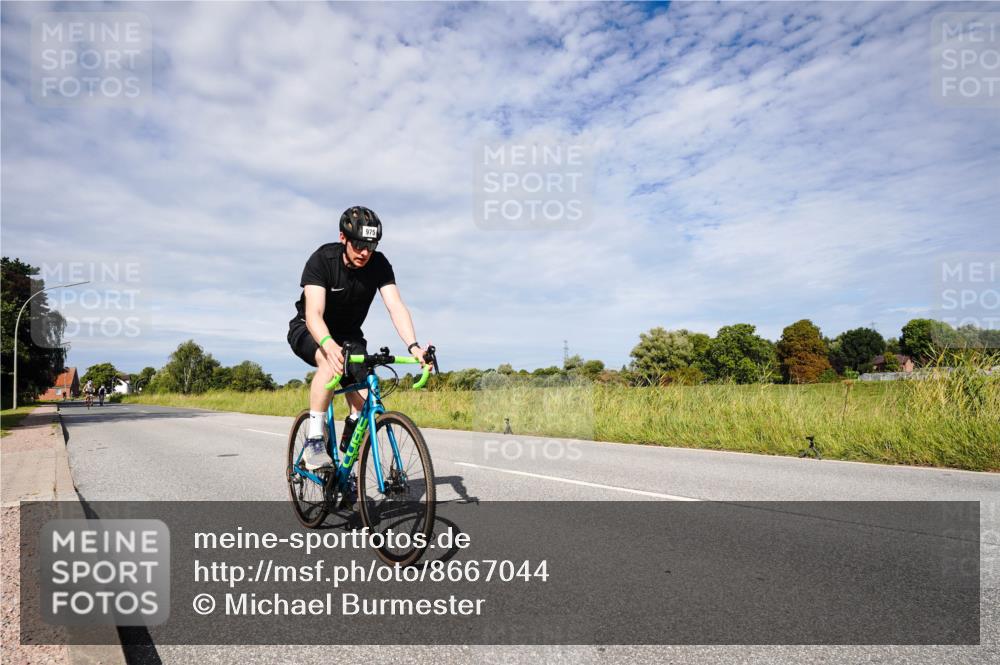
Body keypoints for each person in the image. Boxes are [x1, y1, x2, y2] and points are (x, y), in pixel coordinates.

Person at [287, 206, 431, 470]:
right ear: (343, 238)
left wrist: (414, 347)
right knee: (330, 365)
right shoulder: (322, 260)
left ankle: (347, 466)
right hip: (309, 329)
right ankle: (315, 441)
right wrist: (329, 345)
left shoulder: (379, 264)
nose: (365, 252)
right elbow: (314, 313)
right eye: (358, 244)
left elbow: (396, 306)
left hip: (350, 337)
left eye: (371, 245)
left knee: (364, 400)